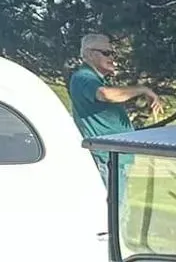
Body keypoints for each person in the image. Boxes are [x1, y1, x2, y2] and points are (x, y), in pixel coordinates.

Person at [67, 33, 162, 179]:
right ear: (89, 54)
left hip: (114, 156)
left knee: (116, 201)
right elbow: (105, 94)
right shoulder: (83, 76)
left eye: (113, 54)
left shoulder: (96, 79)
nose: (111, 58)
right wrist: (143, 90)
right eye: (106, 53)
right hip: (106, 157)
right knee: (112, 202)